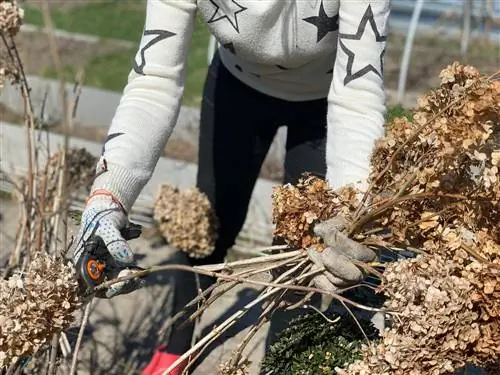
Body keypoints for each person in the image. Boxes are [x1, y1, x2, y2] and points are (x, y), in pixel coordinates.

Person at [71, 0, 390, 374]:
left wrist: (351, 210)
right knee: (208, 227)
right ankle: (175, 351)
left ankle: (277, 365)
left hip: (326, 99)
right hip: (237, 89)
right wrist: (109, 194)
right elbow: (153, 82)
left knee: (303, 255)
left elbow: (358, 96)